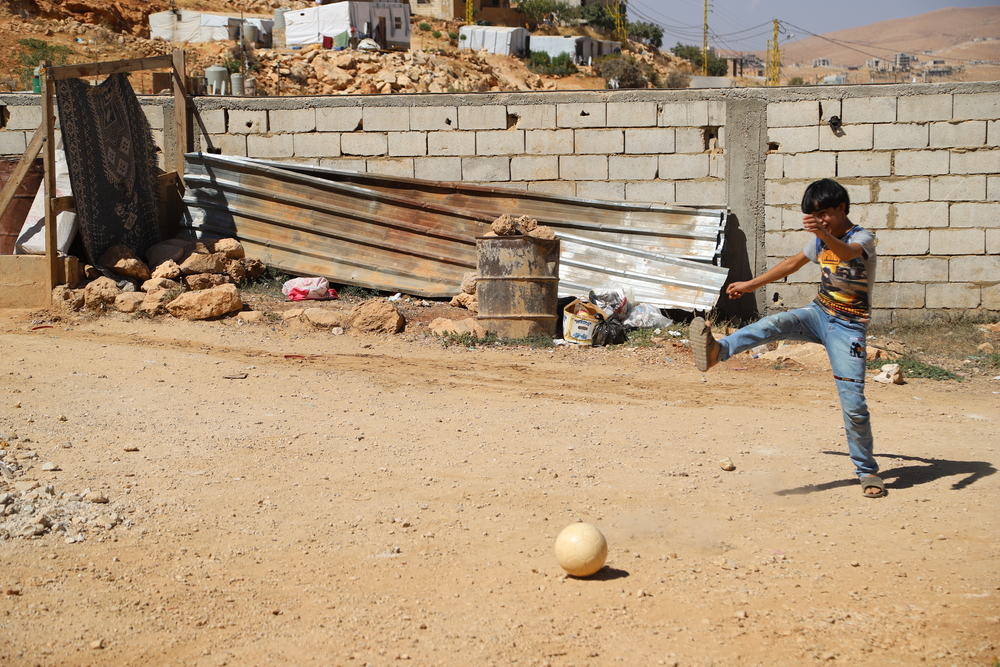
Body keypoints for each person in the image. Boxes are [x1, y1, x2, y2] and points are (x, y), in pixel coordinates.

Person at [690, 178, 885, 498]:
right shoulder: (820, 240)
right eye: (814, 216)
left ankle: (866, 471)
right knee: (770, 325)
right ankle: (717, 351)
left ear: (842, 208)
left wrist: (822, 233)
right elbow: (792, 264)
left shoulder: (861, 237)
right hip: (818, 313)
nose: (820, 221)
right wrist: (750, 285)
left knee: (853, 404)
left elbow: (848, 254)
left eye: (825, 214)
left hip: (849, 328)